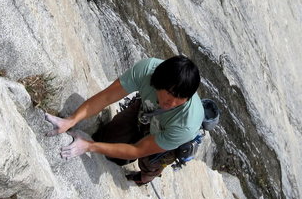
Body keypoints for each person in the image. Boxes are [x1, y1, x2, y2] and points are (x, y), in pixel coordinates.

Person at [45, 55, 204, 185]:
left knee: (149, 162)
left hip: (168, 130)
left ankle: (145, 178)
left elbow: (138, 150)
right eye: (169, 92)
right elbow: (106, 97)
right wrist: (71, 120)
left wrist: (89, 147)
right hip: (147, 109)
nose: (172, 102)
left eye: (180, 98)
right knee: (109, 142)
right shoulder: (147, 70)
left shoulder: (186, 125)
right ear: (158, 81)